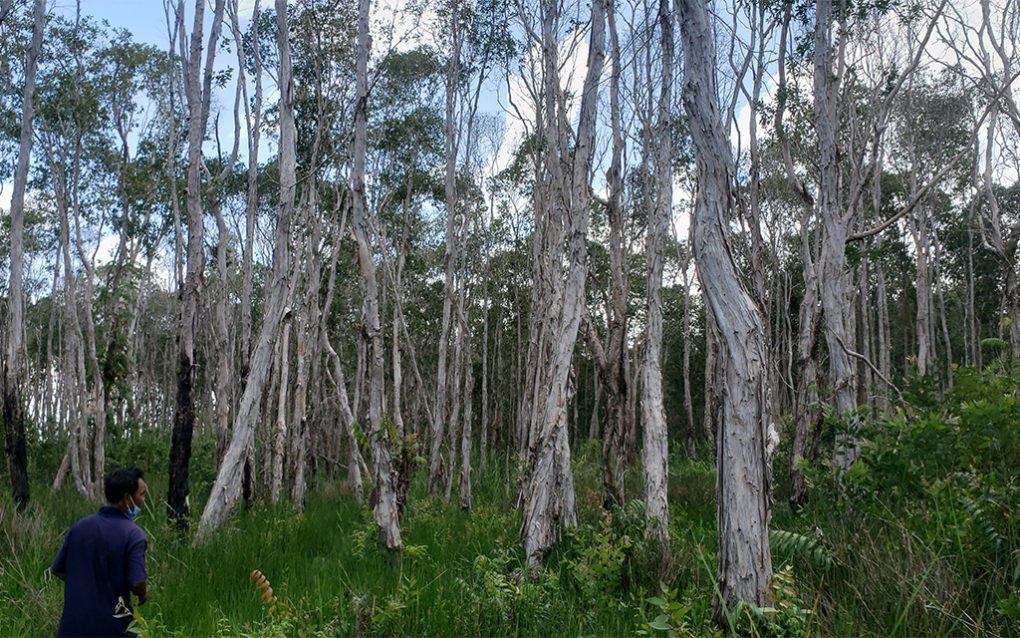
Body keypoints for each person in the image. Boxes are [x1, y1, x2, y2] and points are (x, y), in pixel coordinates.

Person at [51, 468, 149, 637]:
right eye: (141, 495)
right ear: (127, 498)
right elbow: (137, 582)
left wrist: (86, 584)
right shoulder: (134, 535)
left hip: (72, 629)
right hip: (114, 629)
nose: (144, 500)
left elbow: (58, 569)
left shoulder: (79, 527)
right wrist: (143, 593)